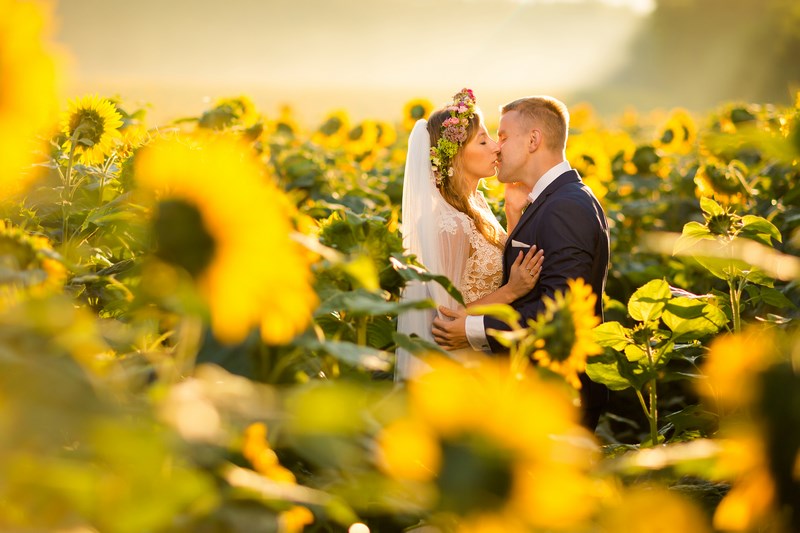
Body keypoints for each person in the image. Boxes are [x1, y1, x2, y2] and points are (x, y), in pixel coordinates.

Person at [431, 96, 610, 429]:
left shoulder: (565, 206)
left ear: (533, 140)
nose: (497, 147)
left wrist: (470, 330)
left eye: (503, 136)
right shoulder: (553, 200)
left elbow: (560, 313)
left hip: (557, 396)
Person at [395, 89, 544, 380]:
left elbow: (498, 263)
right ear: (456, 155)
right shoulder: (449, 224)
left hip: (486, 351)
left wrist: (513, 212)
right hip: (460, 365)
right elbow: (445, 320)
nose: (496, 148)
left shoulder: (476, 206)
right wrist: (512, 290)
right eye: (483, 141)